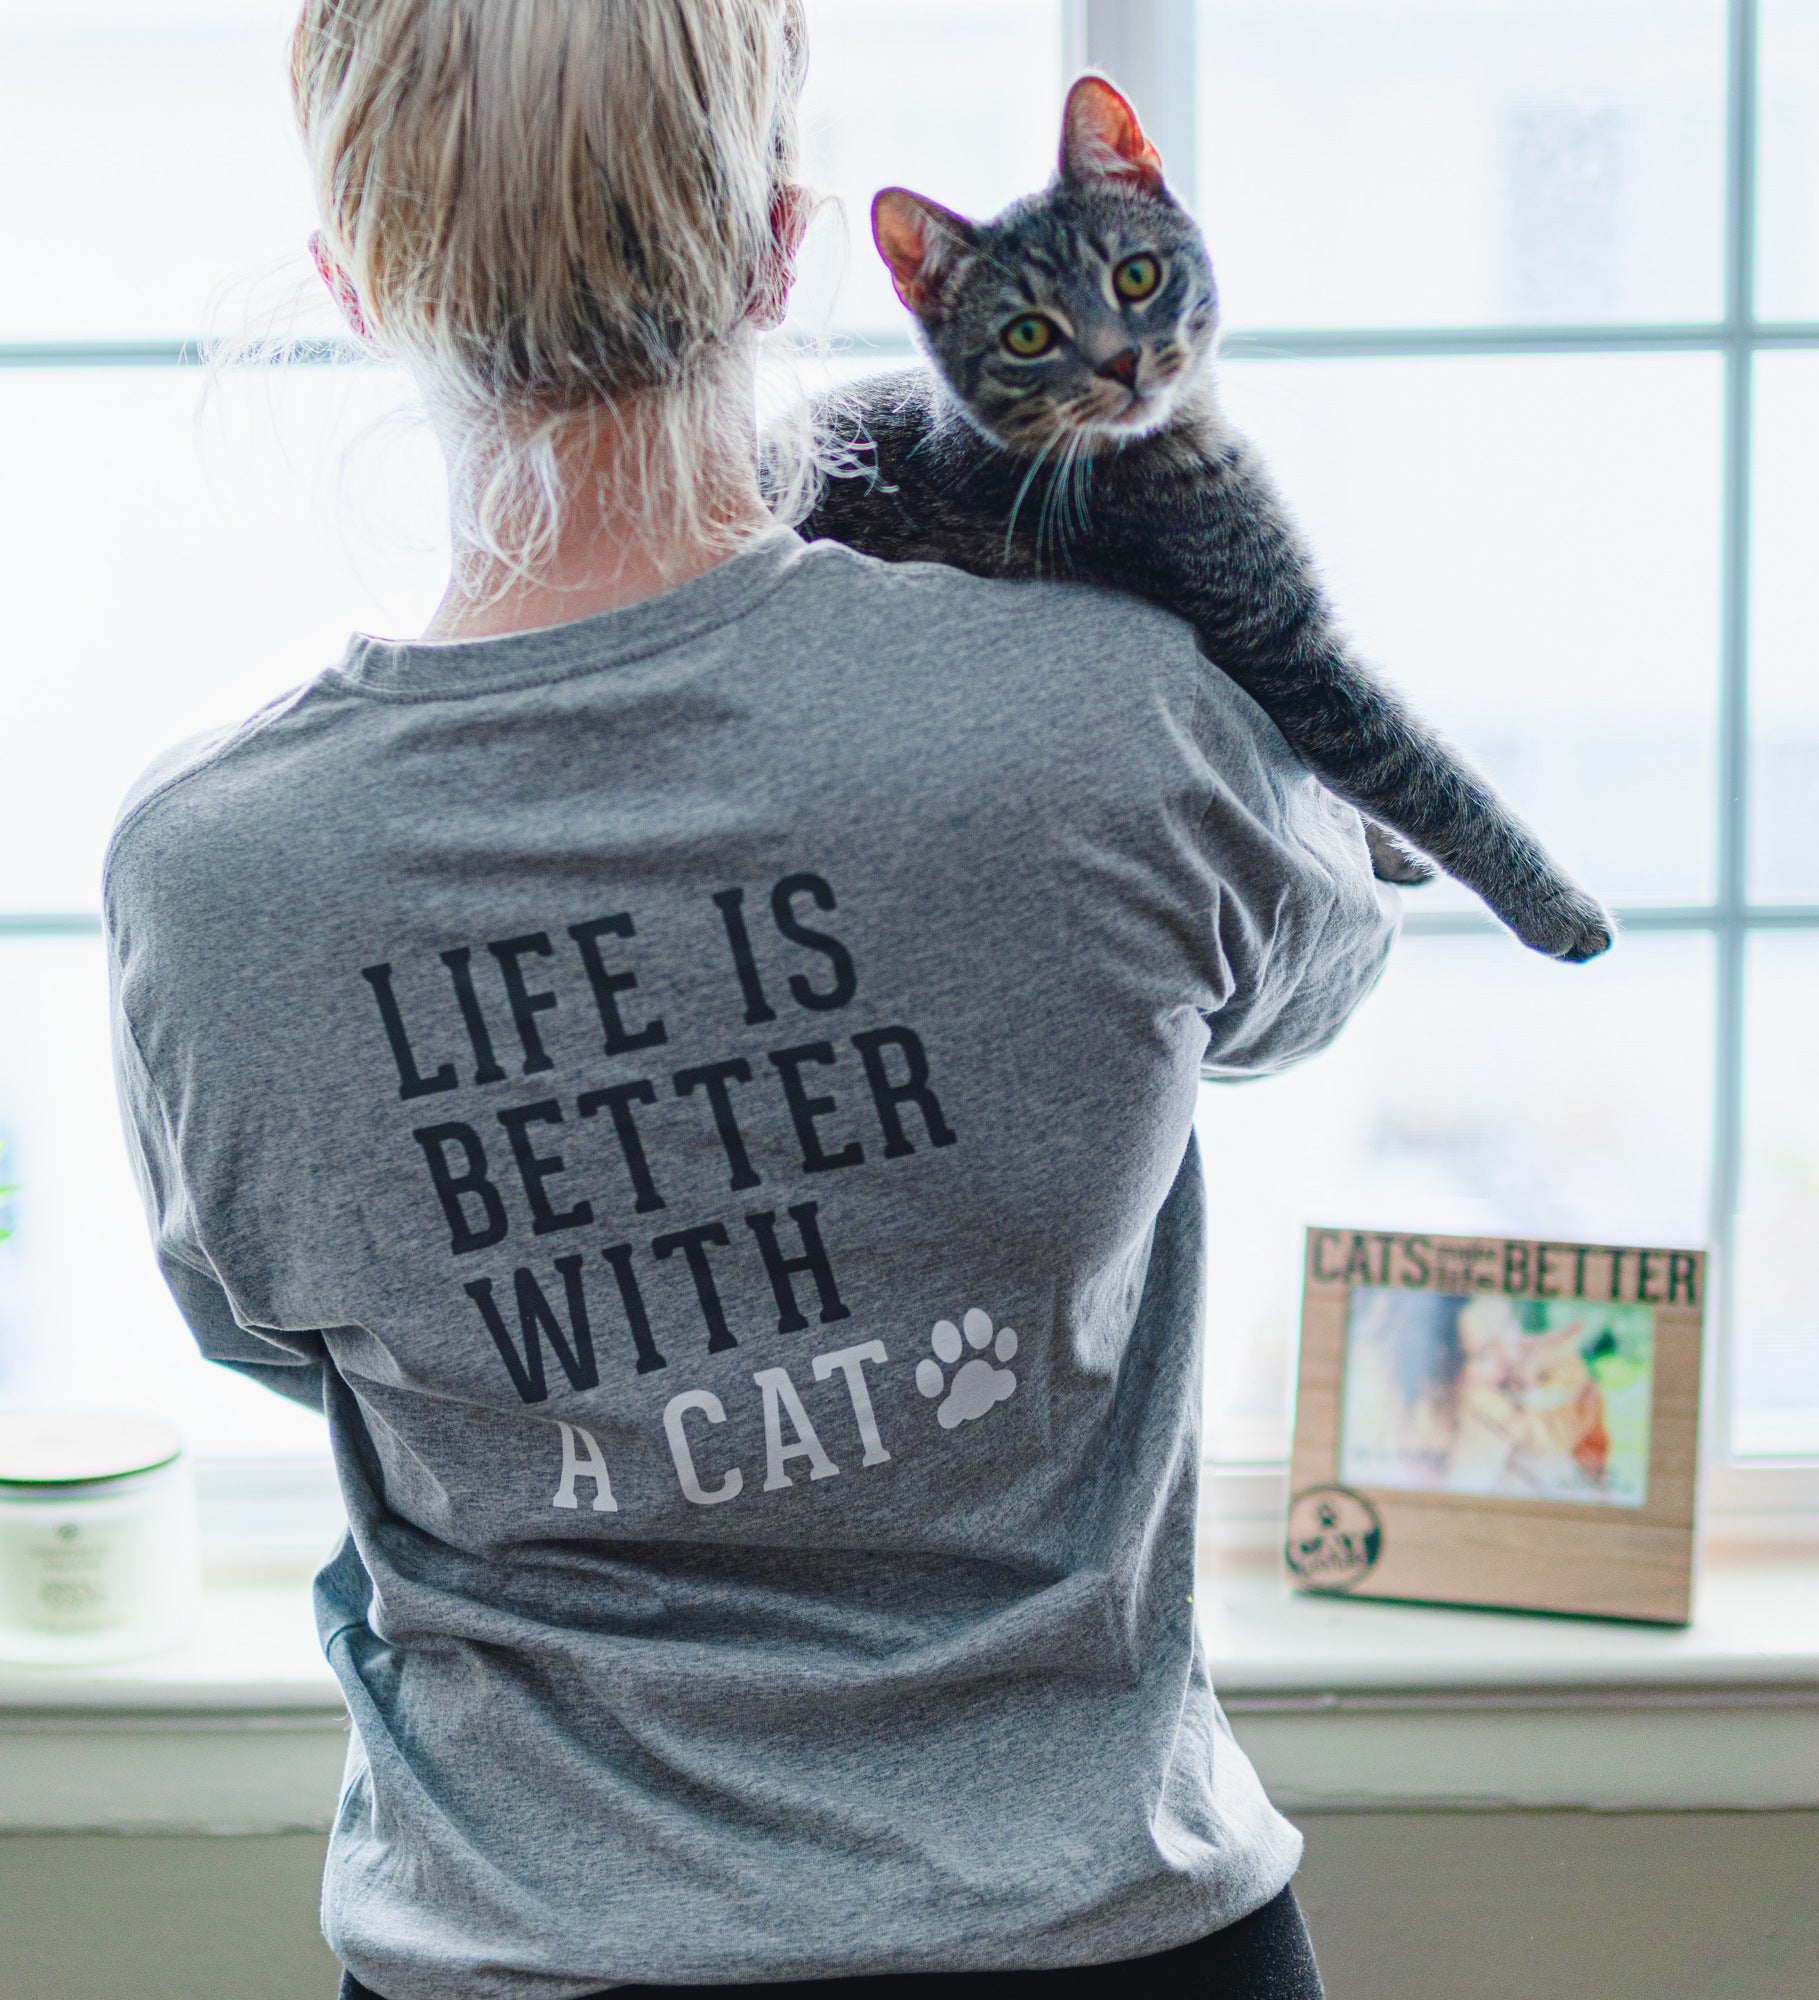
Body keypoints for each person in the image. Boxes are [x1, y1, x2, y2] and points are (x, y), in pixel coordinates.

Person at [104, 3, 1399, 1995]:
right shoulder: (1104, 720)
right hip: (1105, 1928)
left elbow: (276, 1333)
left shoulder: (214, 873)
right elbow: (1318, 973)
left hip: (529, 1945)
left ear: (354, 285)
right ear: (788, 246)